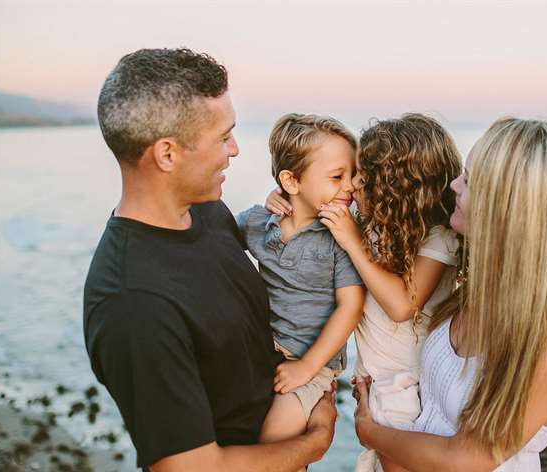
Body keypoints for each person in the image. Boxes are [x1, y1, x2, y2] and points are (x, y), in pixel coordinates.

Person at [83, 48, 337, 472]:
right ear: (167, 154)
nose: (235, 150)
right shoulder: (132, 302)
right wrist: (314, 443)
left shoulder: (208, 213)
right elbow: (191, 468)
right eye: (223, 137)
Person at [352, 117, 547, 471]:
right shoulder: (474, 288)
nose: (453, 184)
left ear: (507, 208)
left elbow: (466, 459)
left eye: (468, 179)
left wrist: (369, 430)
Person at [270, 113, 463, 472]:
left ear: (400, 188)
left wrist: (353, 242)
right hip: (376, 383)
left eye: (366, 176)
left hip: (412, 389)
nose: (355, 183)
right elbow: (319, 207)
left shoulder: (438, 238)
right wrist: (286, 199)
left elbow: (402, 305)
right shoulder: (373, 227)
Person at [235, 114, 365, 469]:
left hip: (313, 361)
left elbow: (350, 307)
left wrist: (308, 366)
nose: (350, 186)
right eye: (337, 177)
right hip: (261, 348)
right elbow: (217, 246)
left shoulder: (341, 237)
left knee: (278, 437)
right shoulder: (258, 223)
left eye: (352, 175)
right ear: (291, 181)